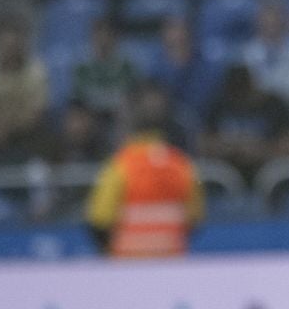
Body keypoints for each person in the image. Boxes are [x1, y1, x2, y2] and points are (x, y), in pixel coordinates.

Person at [85, 85, 204, 259]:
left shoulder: (120, 166)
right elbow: (195, 217)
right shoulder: (182, 165)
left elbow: (100, 219)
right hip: (171, 265)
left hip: (128, 265)